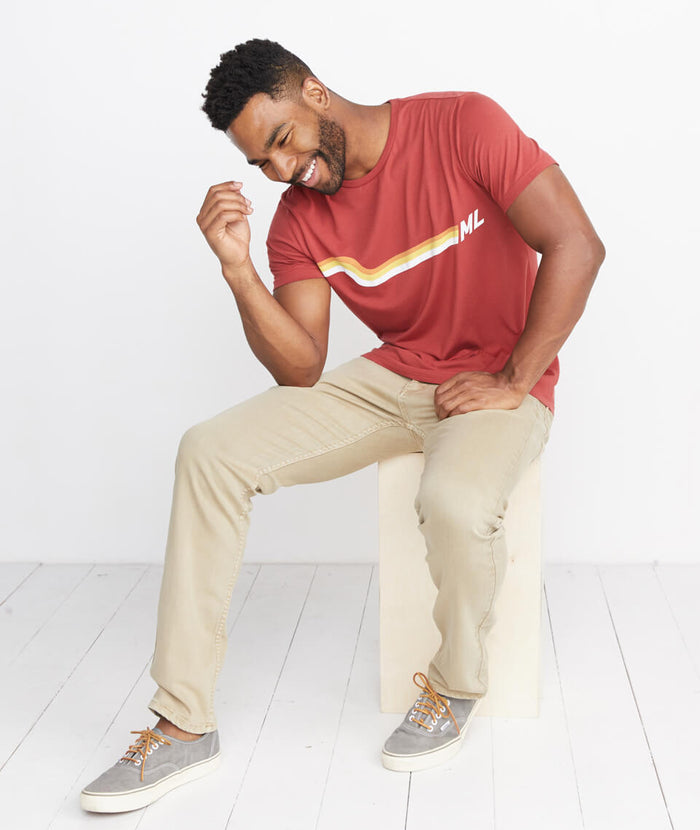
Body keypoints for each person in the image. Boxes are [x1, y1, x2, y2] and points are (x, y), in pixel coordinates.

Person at [80, 38, 604, 813]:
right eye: (261, 162)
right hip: (394, 378)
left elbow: (577, 243)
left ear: (316, 95)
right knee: (209, 452)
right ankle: (184, 723)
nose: (282, 170)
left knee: (455, 502)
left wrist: (516, 378)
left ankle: (457, 682)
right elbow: (300, 368)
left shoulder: (463, 125)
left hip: (497, 377)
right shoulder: (297, 222)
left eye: (283, 140)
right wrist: (238, 271)